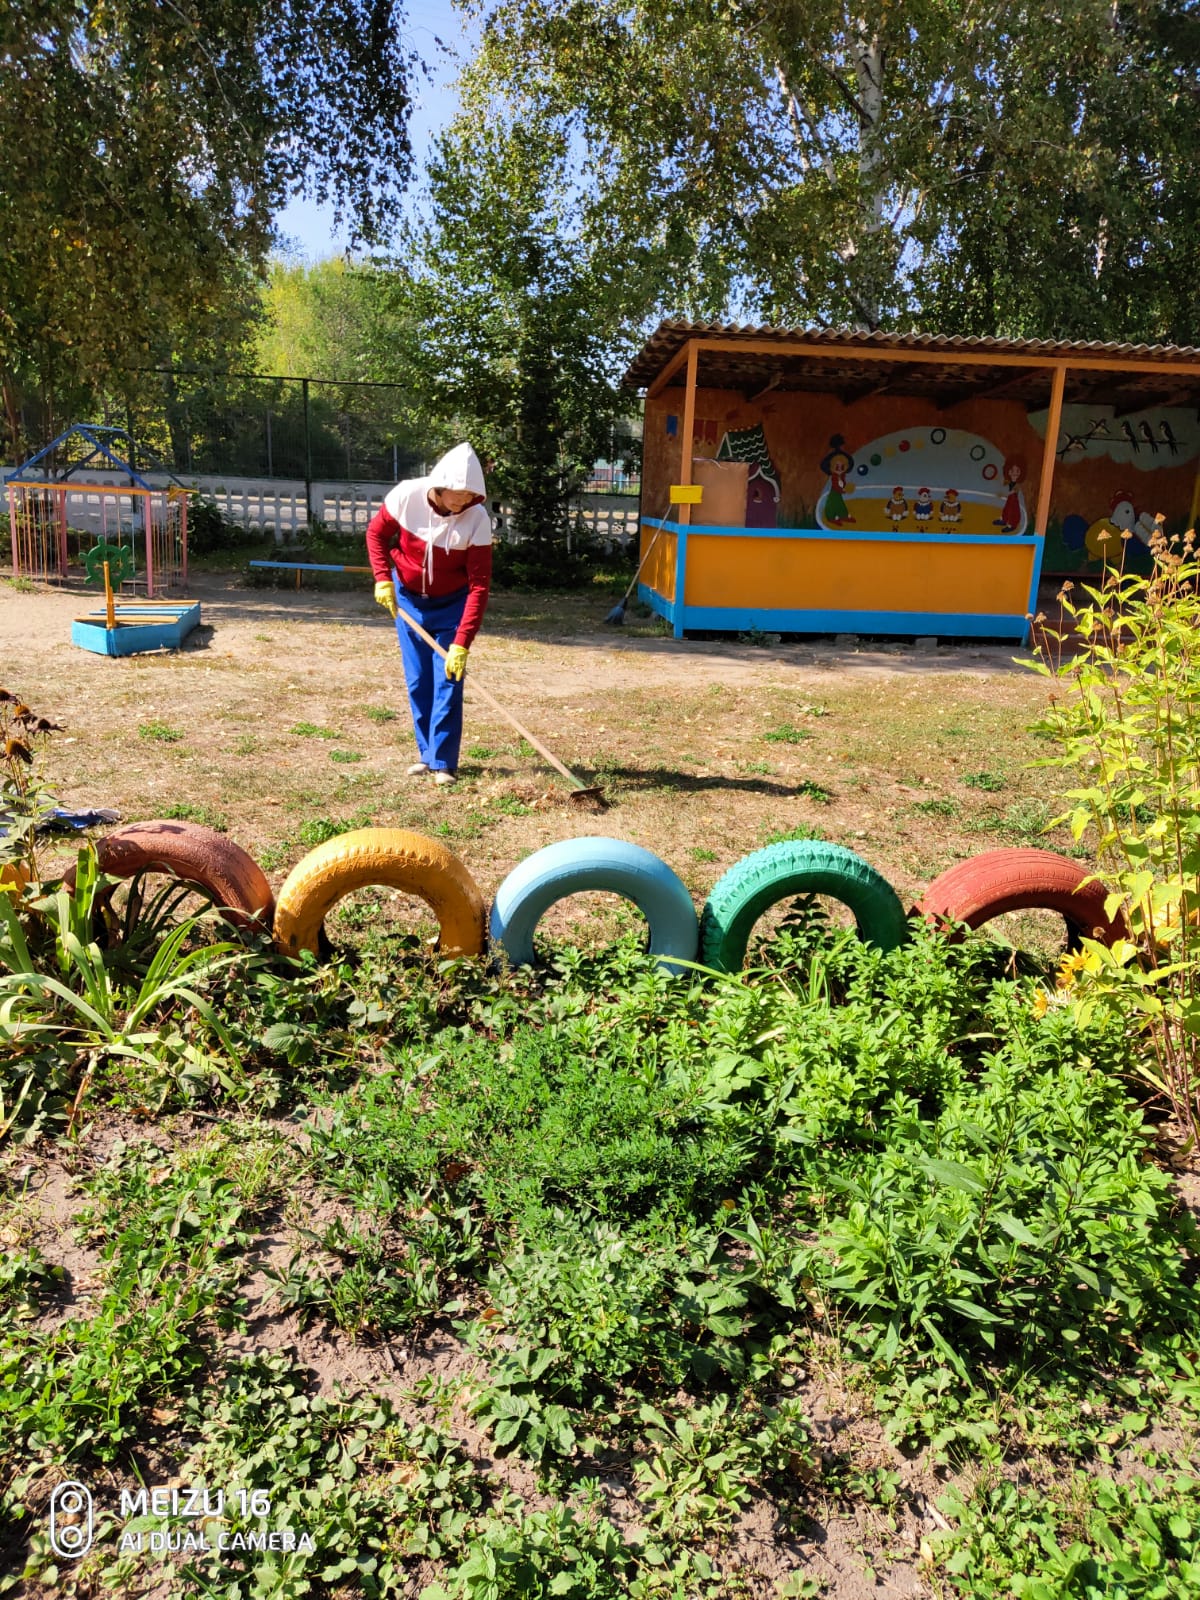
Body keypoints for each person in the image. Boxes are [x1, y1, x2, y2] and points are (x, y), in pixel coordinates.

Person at [366, 443, 492, 786]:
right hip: (408, 601)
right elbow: (376, 534)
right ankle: (426, 754)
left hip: (453, 605)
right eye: (458, 494)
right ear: (440, 484)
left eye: (470, 495)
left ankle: (443, 763)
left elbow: (479, 585)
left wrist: (462, 643)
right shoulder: (406, 496)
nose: (463, 502)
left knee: (448, 678)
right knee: (418, 680)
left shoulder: (477, 519)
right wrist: (383, 579)